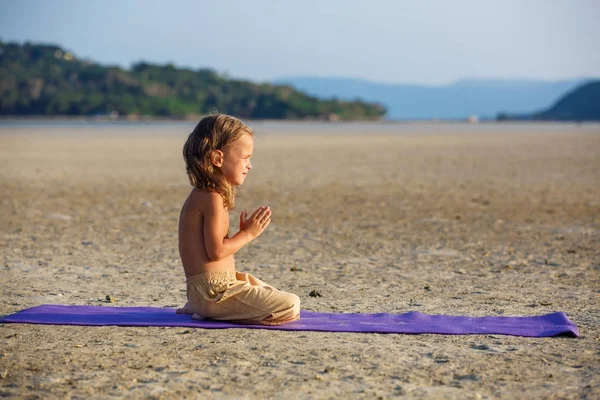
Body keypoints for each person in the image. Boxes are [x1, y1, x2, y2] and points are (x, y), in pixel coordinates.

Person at [176, 114, 300, 325]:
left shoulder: (203, 195)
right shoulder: (212, 197)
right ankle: (210, 309)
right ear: (218, 159)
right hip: (214, 292)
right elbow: (216, 252)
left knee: (260, 287)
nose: (249, 165)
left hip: (209, 289)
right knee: (291, 304)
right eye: (245, 157)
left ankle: (200, 305)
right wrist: (248, 234)